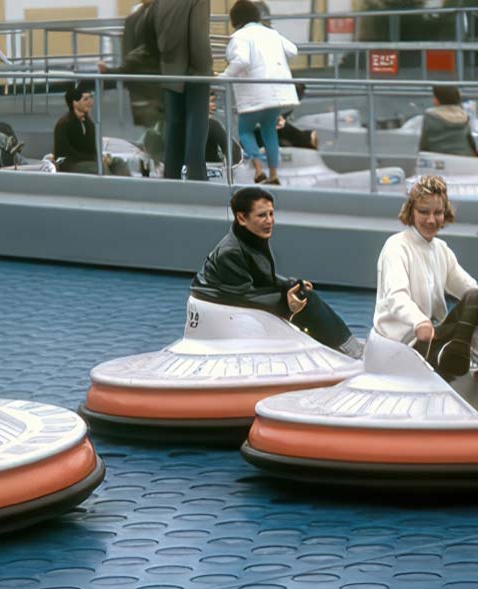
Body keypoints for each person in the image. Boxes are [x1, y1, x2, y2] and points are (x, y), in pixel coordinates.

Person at [192, 187, 363, 357]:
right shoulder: (231, 252)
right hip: (223, 298)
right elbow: (243, 296)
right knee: (305, 300)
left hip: (236, 292)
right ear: (242, 218)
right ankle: (350, 350)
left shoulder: (250, 238)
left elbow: (262, 276)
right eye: (262, 215)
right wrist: (287, 303)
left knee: (303, 292)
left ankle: (343, 343)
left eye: (271, 214)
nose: (269, 221)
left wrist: (291, 284)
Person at [375, 176, 478, 379]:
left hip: (434, 335)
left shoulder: (441, 249)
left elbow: (469, 289)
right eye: (424, 212)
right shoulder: (396, 247)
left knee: (475, 297)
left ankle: (460, 355)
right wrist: (419, 322)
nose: (431, 220)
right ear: (411, 211)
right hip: (401, 343)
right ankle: (449, 358)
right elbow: (397, 297)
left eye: (438, 212)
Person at [219, 0, 299, 185]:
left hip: (254, 93)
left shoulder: (240, 36)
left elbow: (242, 61)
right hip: (277, 92)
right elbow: (293, 51)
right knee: (269, 130)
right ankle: (274, 174)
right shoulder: (272, 33)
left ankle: (258, 169)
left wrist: (224, 75)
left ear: (235, 20)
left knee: (245, 131)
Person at [154, 0, 212, 180]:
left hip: (169, 71)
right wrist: (206, 70)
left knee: (173, 131)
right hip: (194, 73)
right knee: (197, 127)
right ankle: (197, 179)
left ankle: (172, 178)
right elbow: (198, 37)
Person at [97, 0, 164, 128]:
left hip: (144, 90)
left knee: (155, 133)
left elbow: (128, 59)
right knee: (157, 133)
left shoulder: (134, 20)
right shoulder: (162, 16)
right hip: (154, 89)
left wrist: (111, 71)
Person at [419, 86, 478, 157]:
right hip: (464, 157)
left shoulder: (430, 116)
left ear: (438, 100)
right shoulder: (464, 115)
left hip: (438, 158)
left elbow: (424, 142)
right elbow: (470, 141)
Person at [206, 94, 243, 164]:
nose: (213, 106)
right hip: (211, 167)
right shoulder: (212, 124)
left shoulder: (181, 123)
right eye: (210, 102)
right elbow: (234, 154)